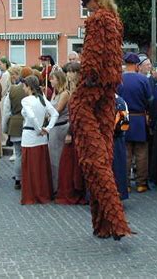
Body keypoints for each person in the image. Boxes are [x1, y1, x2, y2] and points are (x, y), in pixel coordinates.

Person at [70, 0, 131, 239]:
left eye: (85, 4)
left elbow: (93, 59)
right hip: (107, 93)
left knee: (93, 159)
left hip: (90, 94)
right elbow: (113, 59)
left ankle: (116, 224)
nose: (85, 10)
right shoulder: (115, 20)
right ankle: (103, 225)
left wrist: (86, 82)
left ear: (92, 1)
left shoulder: (97, 20)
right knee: (102, 156)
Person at [117, 52, 152, 193]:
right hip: (139, 117)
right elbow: (150, 99)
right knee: (141, 152)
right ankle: (141, 183)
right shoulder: (143, 79)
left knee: (125, 151)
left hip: (123, 116)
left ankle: (125, 184)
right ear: (137, 65)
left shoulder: (119, 79)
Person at [20, 75, 59, 204]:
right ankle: (42, 192)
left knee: (31, 166)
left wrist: (39, 129)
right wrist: (47, 128)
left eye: (24, 85)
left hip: (31, 135)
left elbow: (31, 117)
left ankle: (32, 194)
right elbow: (55, 114)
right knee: (40, 166)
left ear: (29, 86)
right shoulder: (42, 99)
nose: (23, 88)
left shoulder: (26, 100)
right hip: (41, 138)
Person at [55, 62, 86, 205]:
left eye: (70, 72)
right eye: (67, 72)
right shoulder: (72, 89)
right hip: (74, 128)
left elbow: (78, 115)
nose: (68, 74)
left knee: (72, 163)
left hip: (77, 131)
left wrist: (70, 132)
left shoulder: (79, 91)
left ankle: (77, 191)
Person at [2, 66, 30, 189]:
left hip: (15, 123)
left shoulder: (12, 90)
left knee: (18, 153)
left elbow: (7, 111)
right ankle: (27, 177)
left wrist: (5, 128)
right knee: (27, 153)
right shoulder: (31, 90)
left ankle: (18, 179)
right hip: (28, 123)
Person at [48, 70, 70, 192]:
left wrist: (48, 111)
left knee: (57, 159)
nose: (51, 80)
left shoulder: (64, 94)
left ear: (59, 80)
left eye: (53, 78)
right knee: (53, 158)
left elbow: (57, 110)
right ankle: (55, 185)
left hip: (60, 128)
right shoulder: (55, 93)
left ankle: (59, 187)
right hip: (54, 128)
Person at [113, 95, 129, 200]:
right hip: (118, 139)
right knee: (118, 168)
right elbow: (126, 123)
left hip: (109, 139)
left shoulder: (118, 101)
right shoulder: (121, 101)